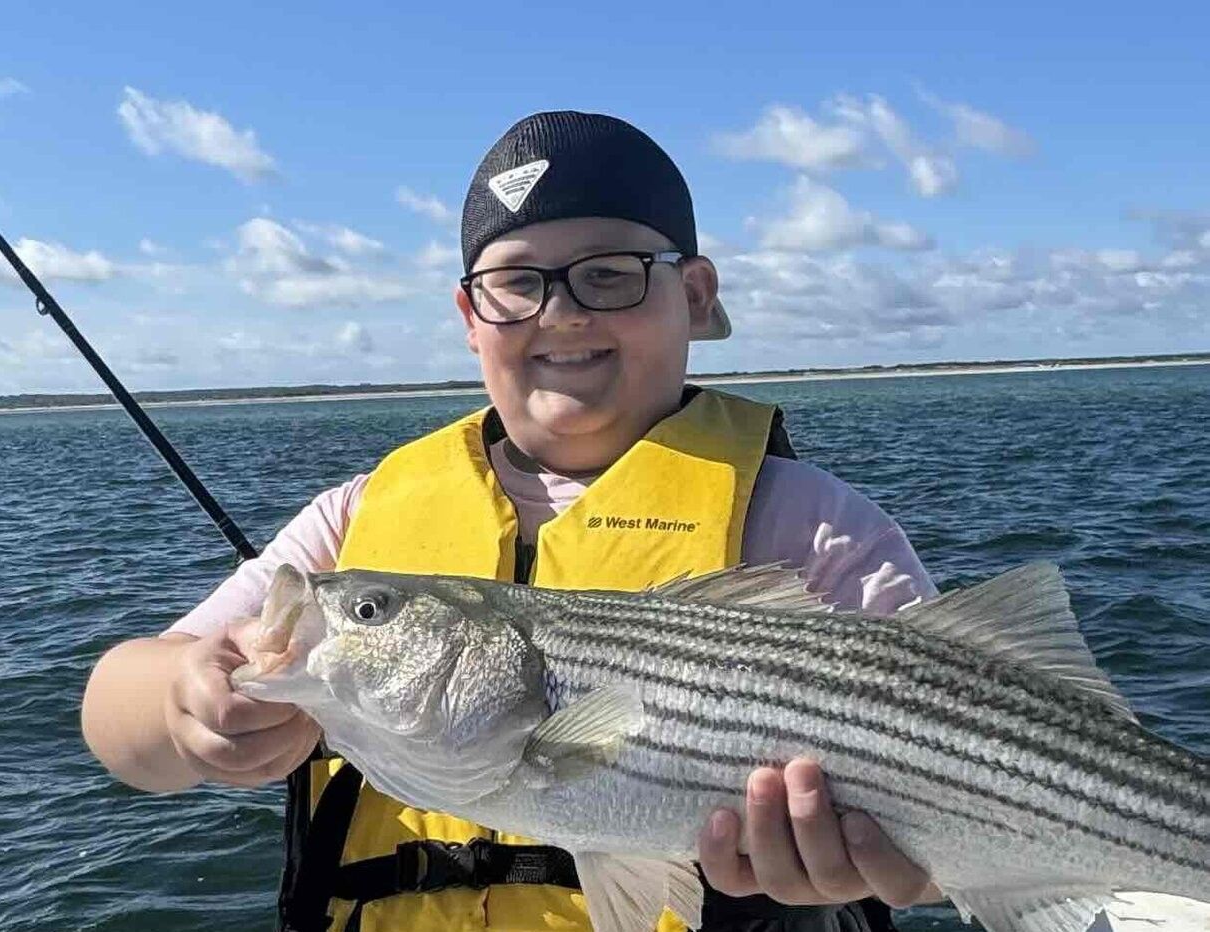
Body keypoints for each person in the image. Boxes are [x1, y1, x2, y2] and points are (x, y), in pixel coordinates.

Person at [82, 110, 943, 932]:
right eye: (516, 284)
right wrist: (184, 705)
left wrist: (913, 867)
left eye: (610, 274)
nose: (560, 313)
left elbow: (971, 778)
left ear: (696, 295)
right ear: (469, 318)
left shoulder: (814, 528)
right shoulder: (351, 521)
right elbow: (115, 723)